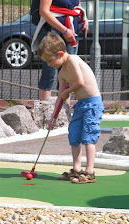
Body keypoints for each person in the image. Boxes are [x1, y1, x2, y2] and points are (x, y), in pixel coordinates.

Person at [38, 31, 104, 184]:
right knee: (74, 135)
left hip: (93, 103)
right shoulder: (61, 74)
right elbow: (61, 97)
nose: (49, 64)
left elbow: (79, 82)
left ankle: (90, 172)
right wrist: (53, 117)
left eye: (50, 60)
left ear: (60, 54)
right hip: (81, 104)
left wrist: (66, 92)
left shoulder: (73, 60)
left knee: (89, 136)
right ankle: (76, 169)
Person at [32, 0, 88, 101]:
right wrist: (64, 30)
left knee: (68, 69)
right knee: (50, 71)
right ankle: (44, 107)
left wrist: (84, 19)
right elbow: (44, 11)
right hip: (52, 31)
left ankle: (64, 108)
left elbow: (77, 5)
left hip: (72, 29)